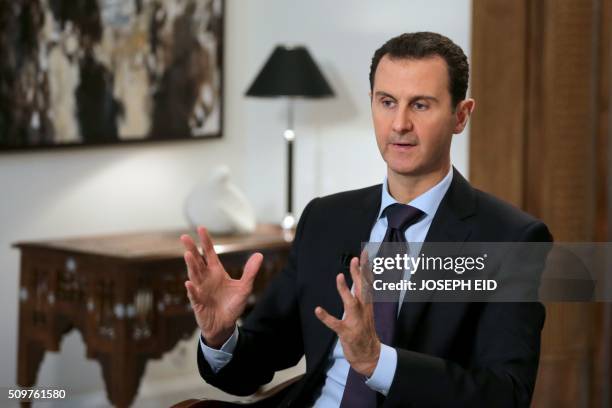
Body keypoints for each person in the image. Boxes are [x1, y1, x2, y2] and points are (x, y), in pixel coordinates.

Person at [180, 32, 552, 407]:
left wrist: (378, 362)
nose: (400, 124)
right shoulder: (326, 219)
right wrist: (221, 335)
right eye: (387, 102)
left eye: (420, 105)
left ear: (460, 115)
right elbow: (254, 367)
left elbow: (506, 395)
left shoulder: (510, 239)